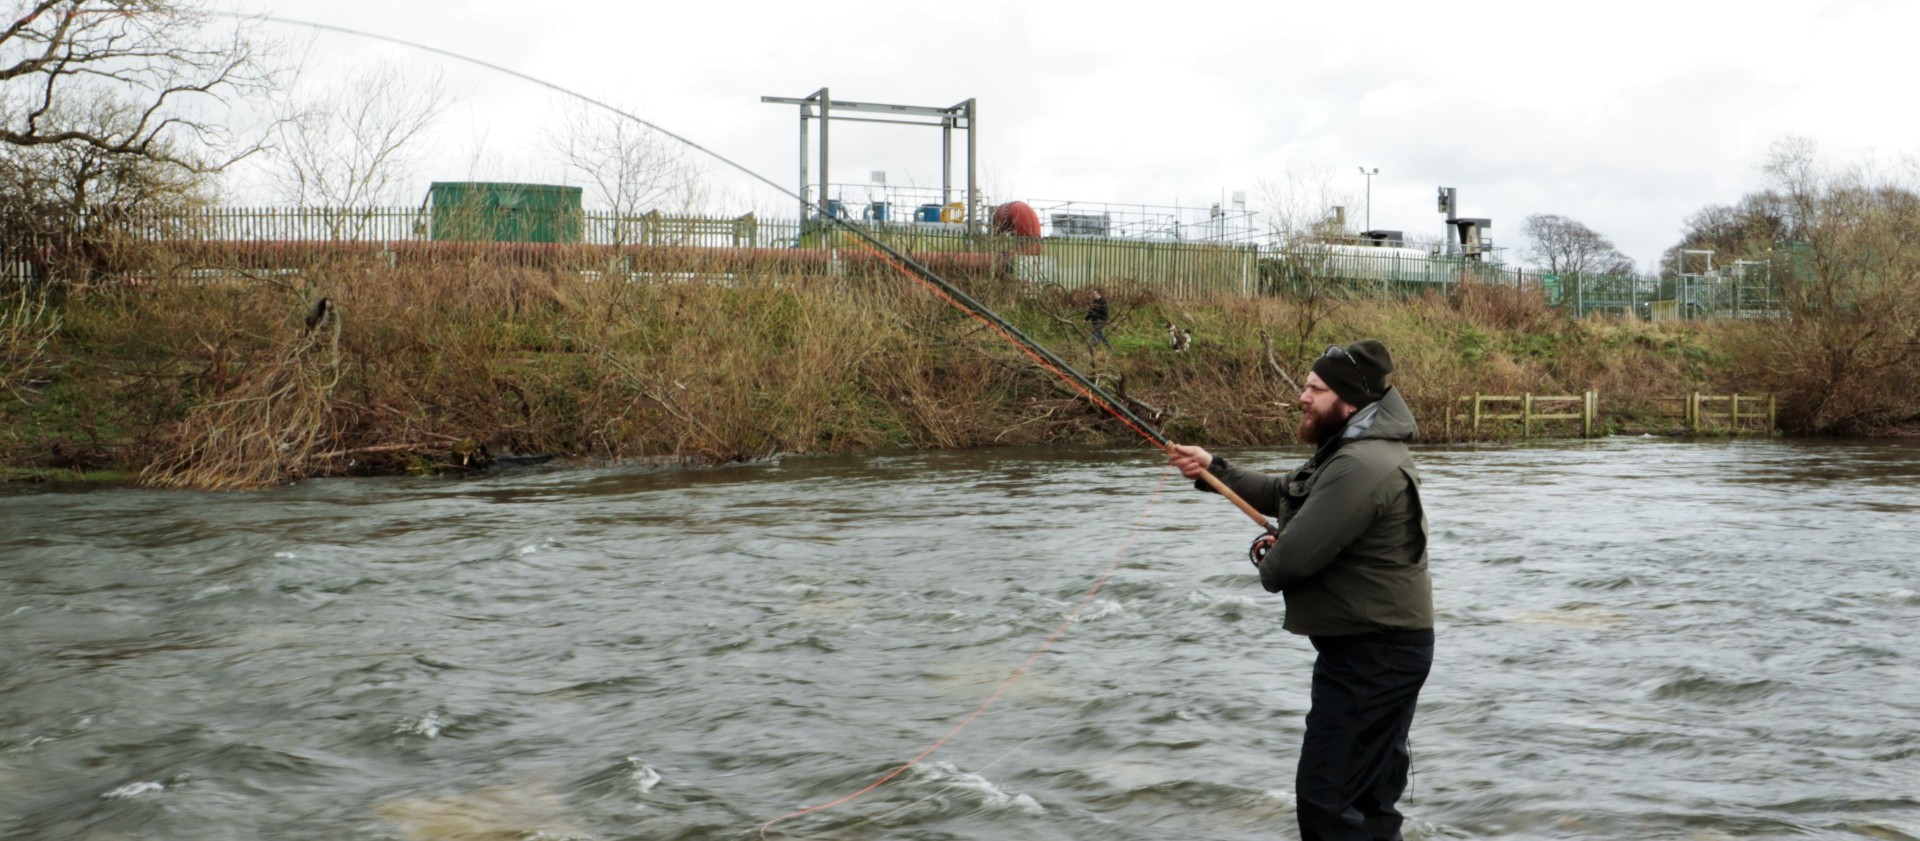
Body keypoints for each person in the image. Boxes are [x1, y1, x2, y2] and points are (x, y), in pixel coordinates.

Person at [1168, 339, 1432, 841]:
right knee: (1368, 800)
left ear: (1349, 403)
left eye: (1316, 388)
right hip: (1379, 650)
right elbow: (1282, 493)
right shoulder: (1352, 450)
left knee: (1326, 801)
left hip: (1372, 657)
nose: (1303, 397)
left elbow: (1287, 565)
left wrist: (1275, 551)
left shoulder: (1360, 466)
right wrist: (1212, 468)